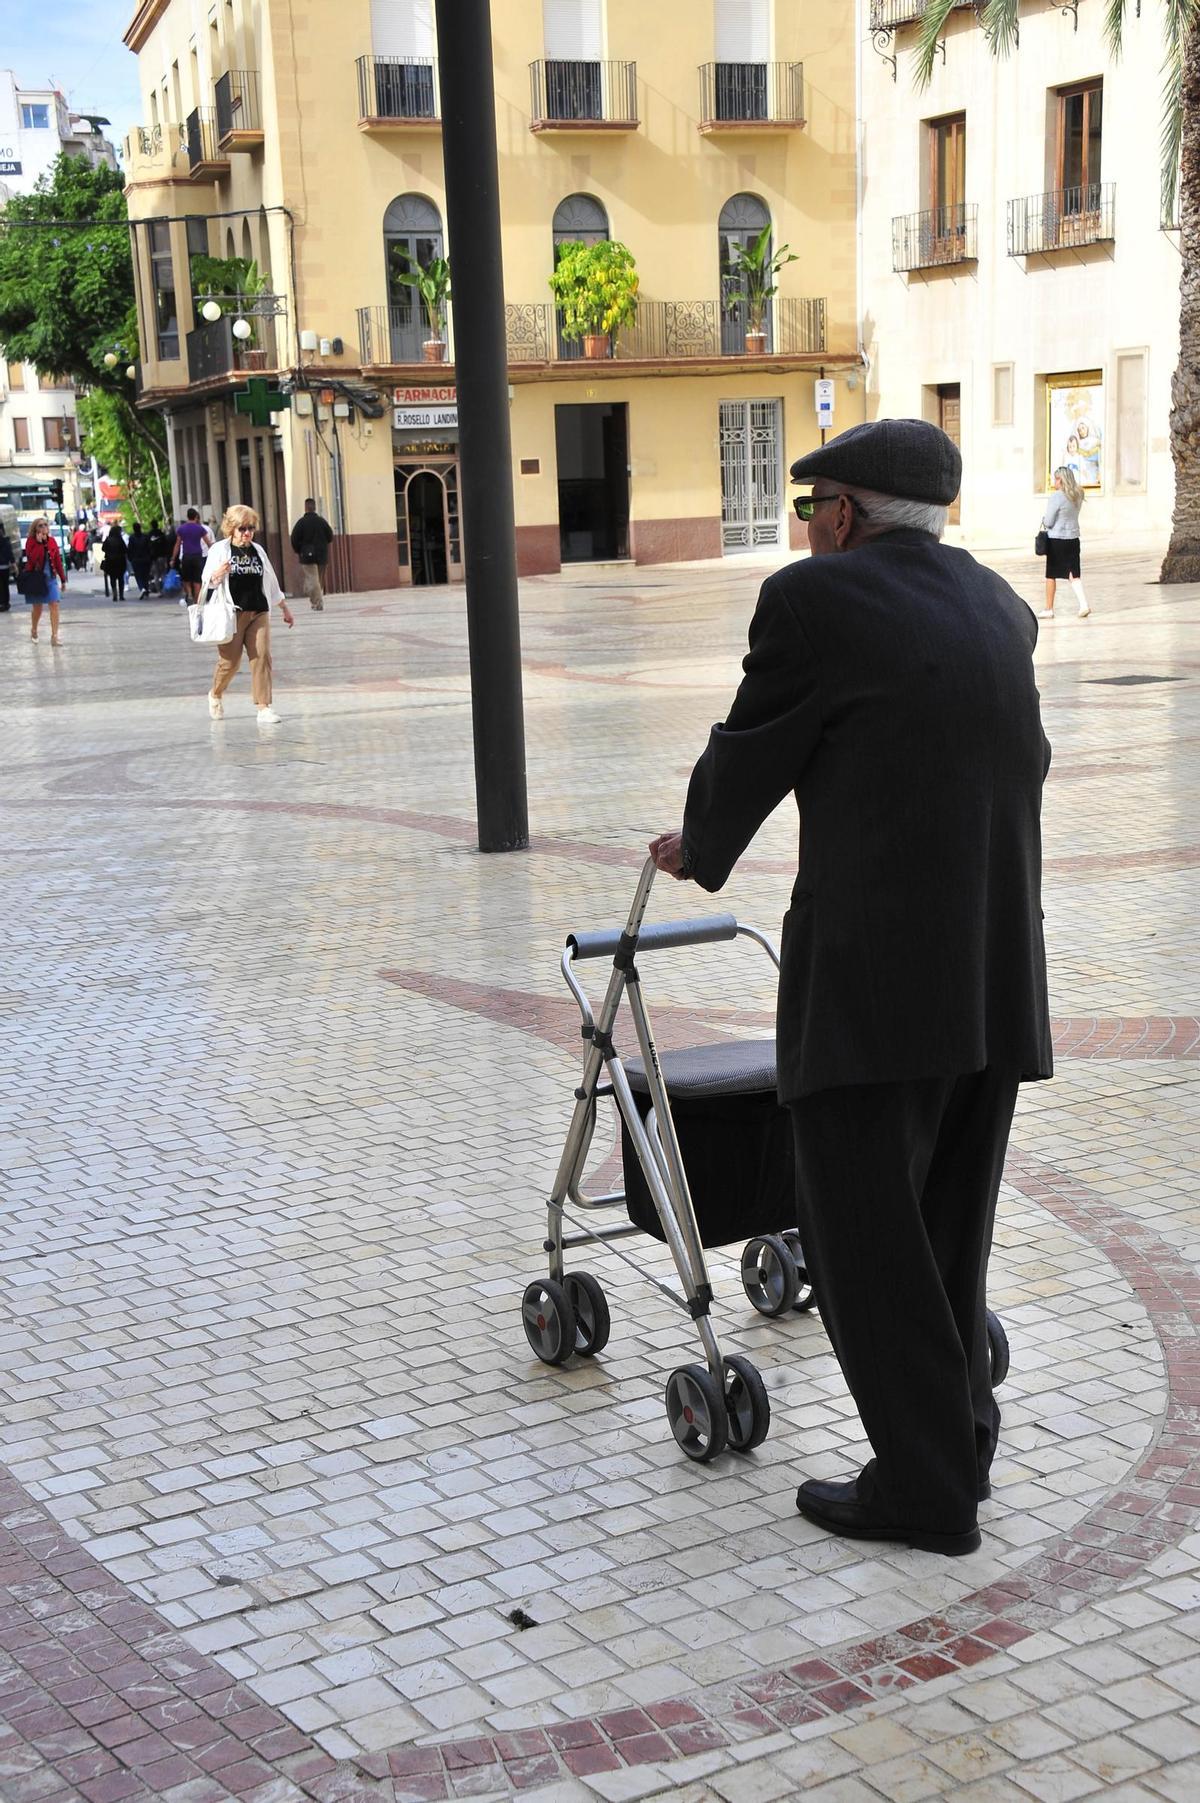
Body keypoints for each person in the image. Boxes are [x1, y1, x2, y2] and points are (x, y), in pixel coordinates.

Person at [650, 418, 1052, 1558]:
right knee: (946, 1231)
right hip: (993, 983)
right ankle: (957, 1442)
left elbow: (756, 740)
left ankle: (924, 1490)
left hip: (874, 994)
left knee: (862, 1238)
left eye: (809, 509)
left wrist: (704, 839)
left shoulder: (814, 604)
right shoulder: (998, 606)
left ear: (843, 514)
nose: (805, 531)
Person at [198, 504, 293, 725]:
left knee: (261, 656)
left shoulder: (258, 551)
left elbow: (271, 582)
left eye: (250, 528)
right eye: (242, 528)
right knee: (230, 662)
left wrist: (284, 608)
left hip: (258, 611)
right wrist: (217, 575)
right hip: (232, 614)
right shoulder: (219, 550)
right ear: (231, 528)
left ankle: (263, 707)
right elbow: (207, 582)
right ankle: (215, 693)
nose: (247, 533)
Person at [1039, 466, 1090, 620]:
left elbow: (1048, 521)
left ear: (1061, 480)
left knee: (1051, 574)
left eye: (1056, 478)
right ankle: (1083, 604)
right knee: (1073, 573)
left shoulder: (1057, 497)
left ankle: (1049, 608)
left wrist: (1043, 520)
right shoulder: (1078, 494)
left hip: (1057, 540)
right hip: (1073, 538)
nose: (1054, 481)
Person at [23, 516, 68, 645]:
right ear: (35, 529)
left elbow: (58, 561)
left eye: (45, 525)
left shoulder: (52, 541)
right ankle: (34, 629)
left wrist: (63, 579)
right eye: (40, 525)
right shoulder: (31, 542)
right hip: (36, 580)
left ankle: (54, 636)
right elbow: (33, 559)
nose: (43, 528)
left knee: (54, 605)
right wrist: (39, 544)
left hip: (51, 579)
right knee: (38, 608)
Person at [289, 497, 334, 611]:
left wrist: (299, 550)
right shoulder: (322, 521)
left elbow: (294, 539)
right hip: (322, 555)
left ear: (305, 508)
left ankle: (317, 603)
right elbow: (330, 536)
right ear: (315, 507)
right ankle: (316, 600)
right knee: (318, 580)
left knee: (313, 580)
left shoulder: (301, 523)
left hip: (307, 556)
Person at [170, 506, 214, 604]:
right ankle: (196, 600)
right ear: (196, 517)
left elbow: (177, 545)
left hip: (186, 556)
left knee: (186, 578)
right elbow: (208, 543)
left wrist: (173, 558)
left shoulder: (181, 529)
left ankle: (189, 593)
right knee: (197, 579)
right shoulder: (200, 528)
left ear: (187, 516)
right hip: (198, 556)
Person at [102, 522, 129, 603]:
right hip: (120, 561)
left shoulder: (108, 539)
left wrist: (109, 552)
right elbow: (125, 550)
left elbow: (103, 548)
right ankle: (121, 595)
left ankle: (114, 594)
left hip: (110, 561)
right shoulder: (120, 540)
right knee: (121, 578)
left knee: (112, 578)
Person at [127, 522, 153, 598]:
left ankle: (142, 588)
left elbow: (130, 549)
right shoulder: (145, 536)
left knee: (138, 575)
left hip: (136, 559)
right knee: (145, 575)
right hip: (146, 559)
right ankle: (146, 588)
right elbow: (149, 548)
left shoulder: (132, 538)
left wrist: (130, 558)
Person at [0, 523, 12, 611]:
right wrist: (13, 563)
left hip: (3, 566)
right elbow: (10, 554)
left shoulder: (5, 542)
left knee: (2, 586)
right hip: (5, 567)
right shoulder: (6, 541)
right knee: (5, 585)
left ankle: (3, 603)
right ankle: (6, 603)